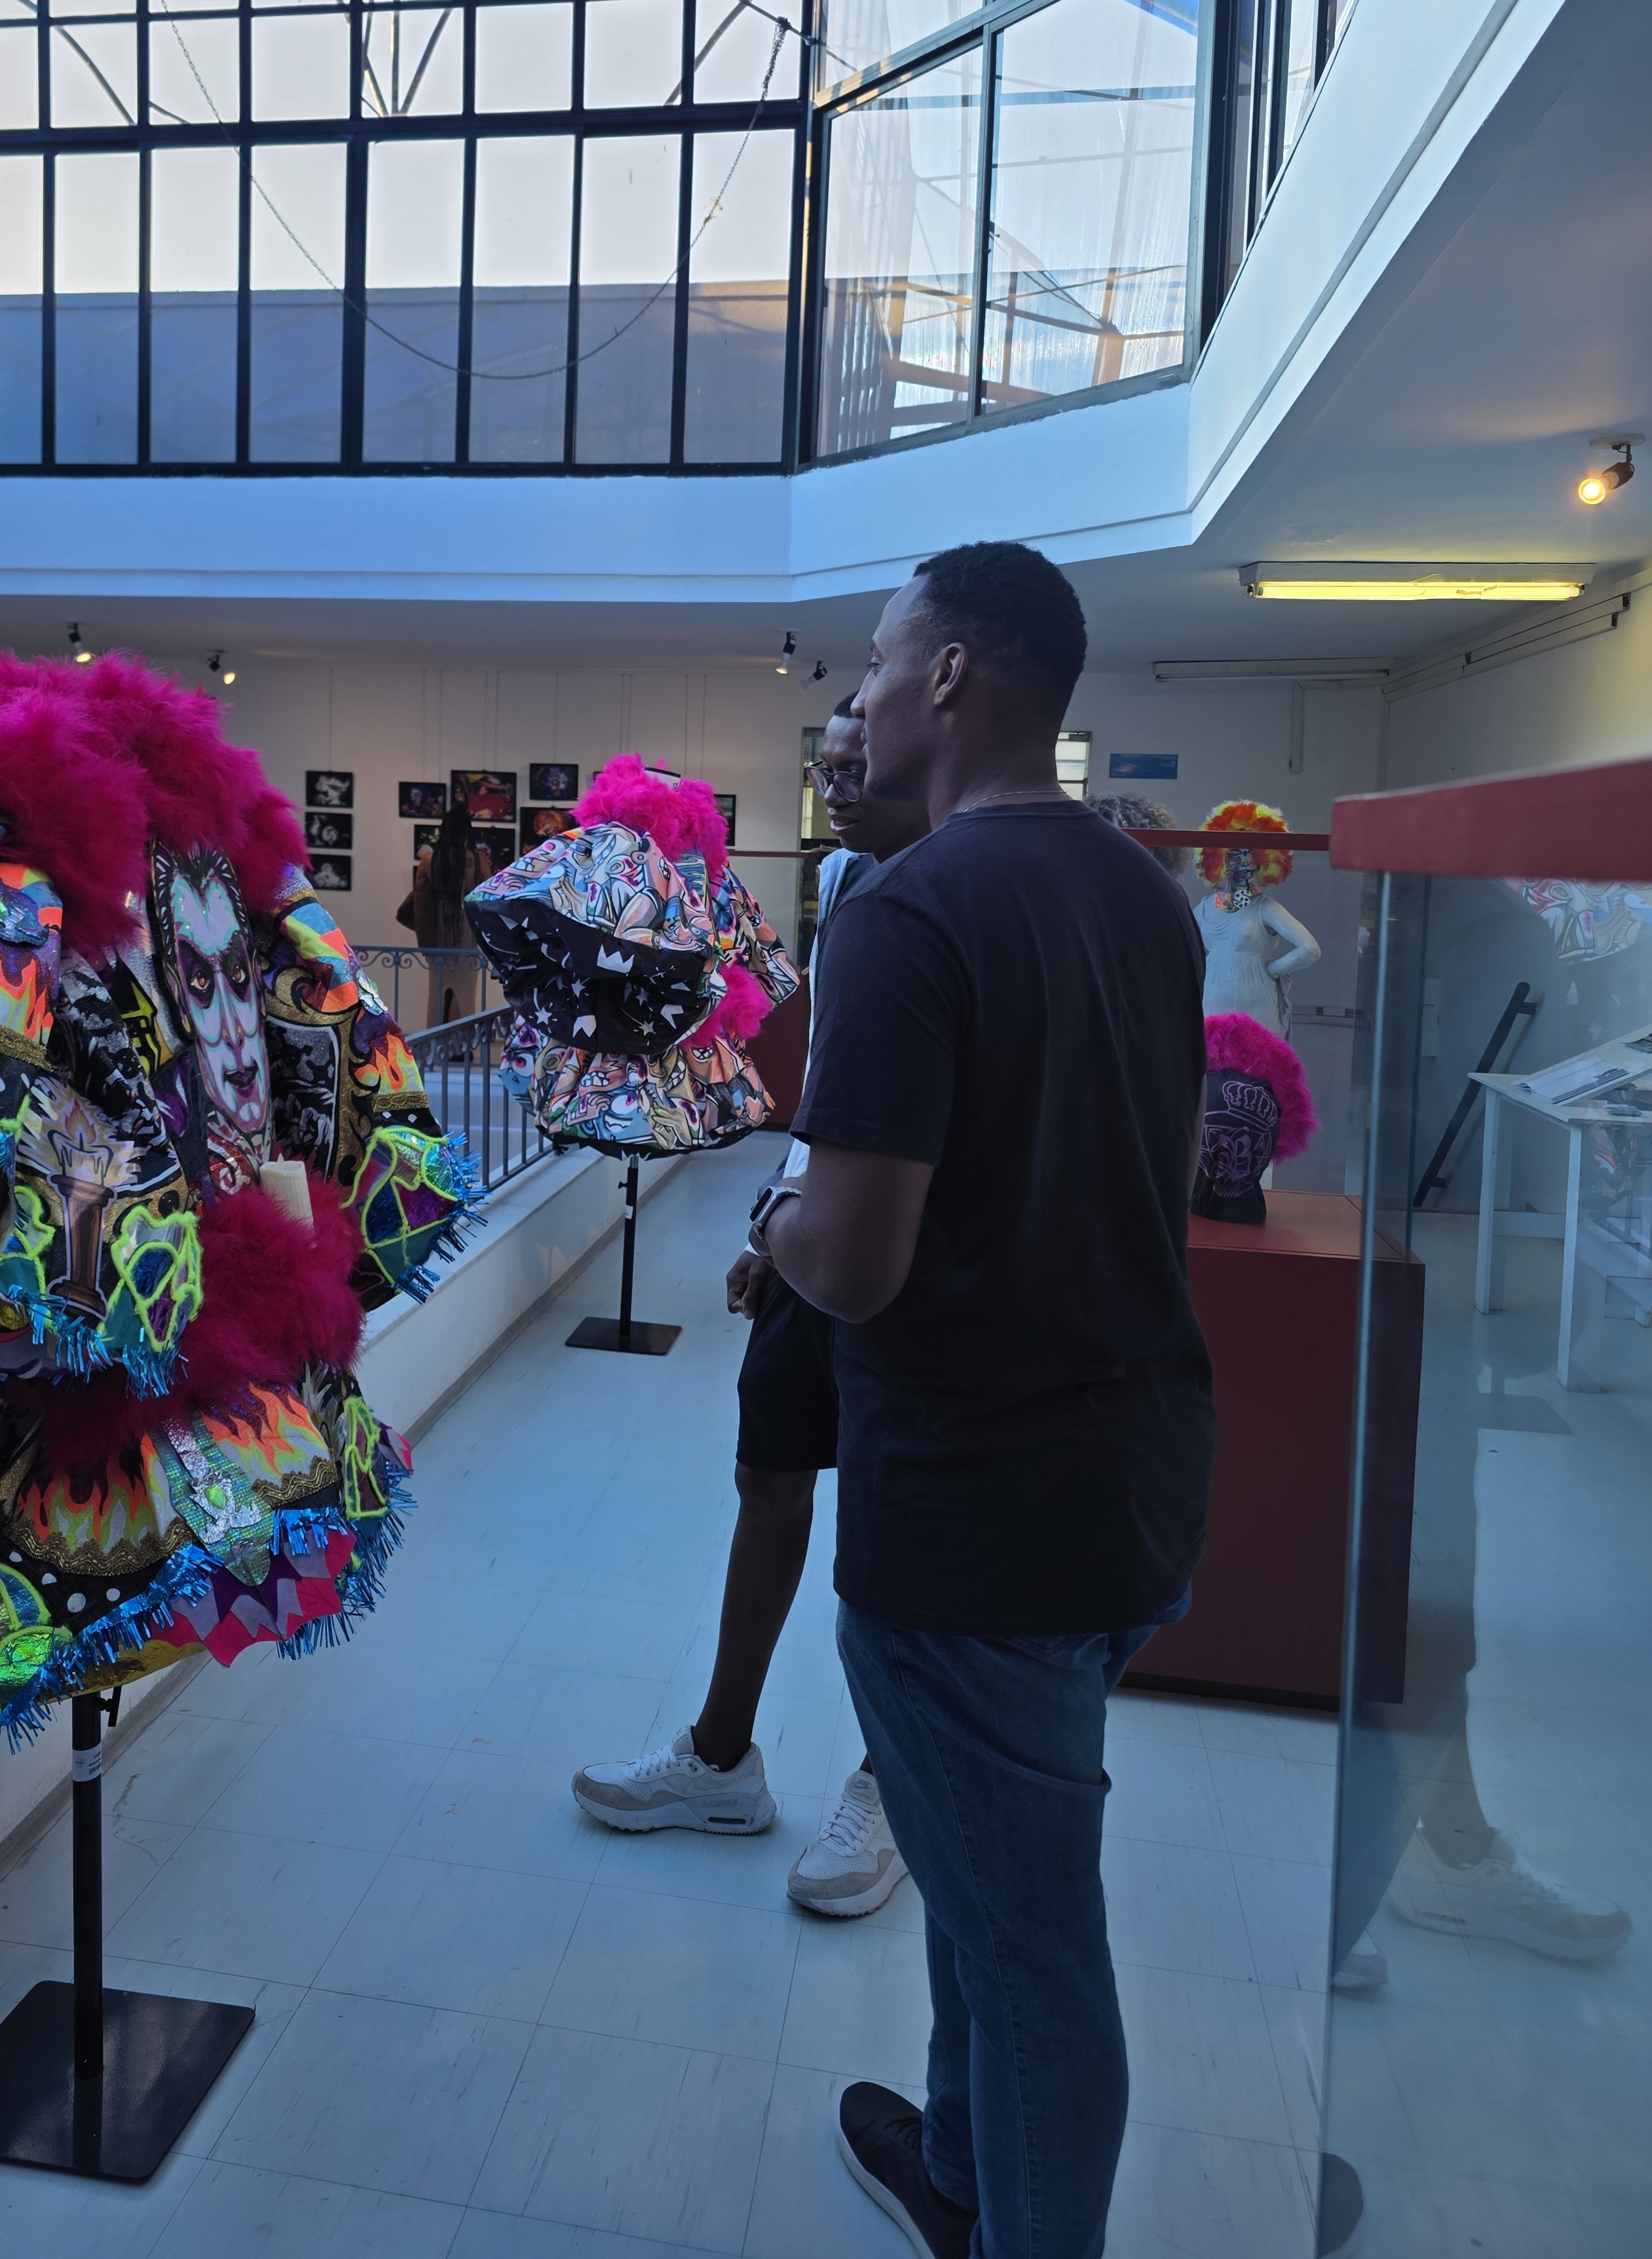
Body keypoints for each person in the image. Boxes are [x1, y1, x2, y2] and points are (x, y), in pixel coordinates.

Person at [758, 542, 1214, 2259]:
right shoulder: (1145, 900)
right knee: (978, 1867)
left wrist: (776, 1218)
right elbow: (1142, 1180)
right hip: (1132, 1478)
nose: (861, 698)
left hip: (976, 1521)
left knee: (1034, 1957)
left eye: (880, 661)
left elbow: (854, 1259)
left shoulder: (907, 911)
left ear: (949, 674)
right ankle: (958, 2168)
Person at [571, 698, 931, 1918]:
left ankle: (890, 1780)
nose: (840, 787)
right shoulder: (844, 877)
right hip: (814, 1222)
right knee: (768, 1479)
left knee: (890, 1515)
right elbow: (832, 1077)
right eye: (829, 769)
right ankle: (721, 1760)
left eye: (860, 764)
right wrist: (776, 1216)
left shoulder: (957, 886)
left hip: (917, 1249)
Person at [398, 799, 495, 1019]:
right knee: (465, 989)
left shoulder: (429, 861)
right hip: (468, 930)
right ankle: (461, 1038)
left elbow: (419, 896)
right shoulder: (479, 862)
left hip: (438, 927)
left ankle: (435, 1036)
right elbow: (490, 894)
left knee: (438, 987)